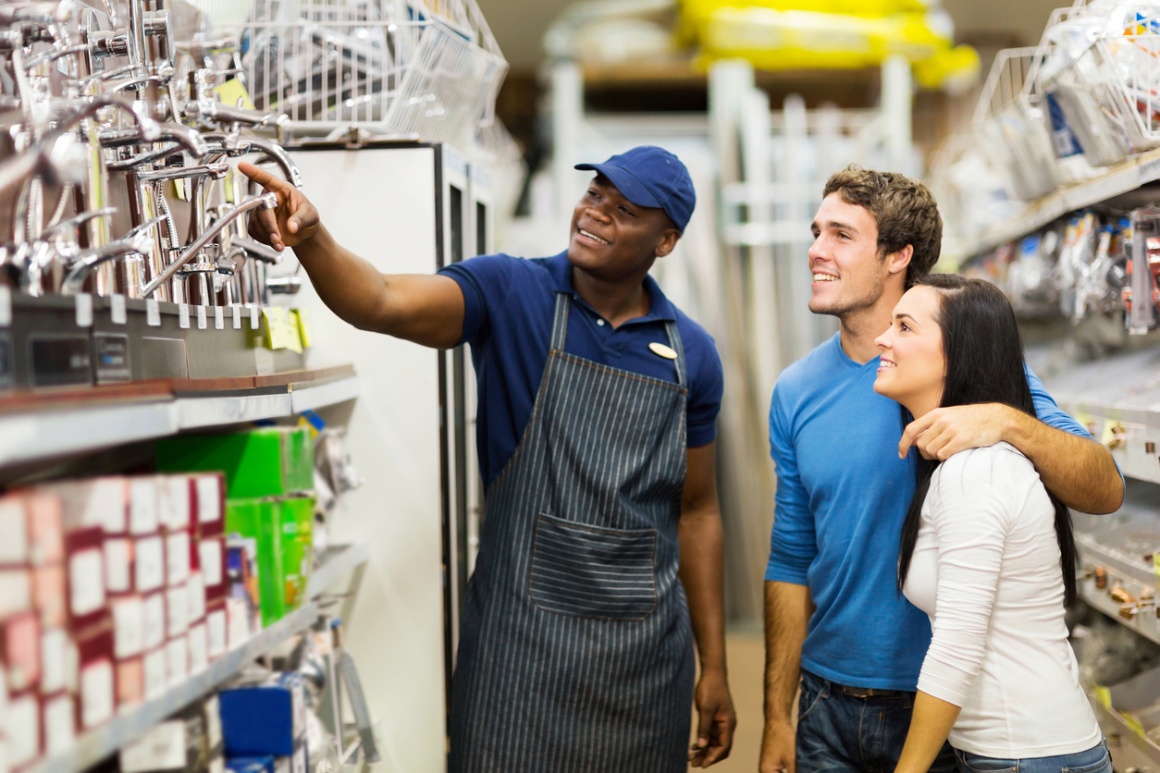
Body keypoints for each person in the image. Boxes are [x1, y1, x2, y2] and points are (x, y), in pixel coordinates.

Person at [238, 145, 736, 771]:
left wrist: (713, 665)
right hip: (518, 658)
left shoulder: (691, 353)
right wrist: (313, 239)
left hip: (641, 668)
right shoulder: (512, 291)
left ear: (664, 241)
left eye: (624, 209)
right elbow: (382, 300)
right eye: (594, 194)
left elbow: (697, 510)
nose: (596, 212)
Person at [759, 166, 1123, 773]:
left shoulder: (968, 379)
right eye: (816, 231)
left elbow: (1104, 487)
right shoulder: (795, 392)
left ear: (898, 255)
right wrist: (776, 715)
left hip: (943, 709)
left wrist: (1007, 422)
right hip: (827, 702)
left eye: (841, 235)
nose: (815, 250)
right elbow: (791, 558)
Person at [876, 273, 1109, 773]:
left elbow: (957, 648)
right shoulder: (960, 466)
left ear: (957, 353)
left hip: (1026, 753)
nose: (883, 337)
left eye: (904, 327)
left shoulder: (975, 470)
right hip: (1020, 749)